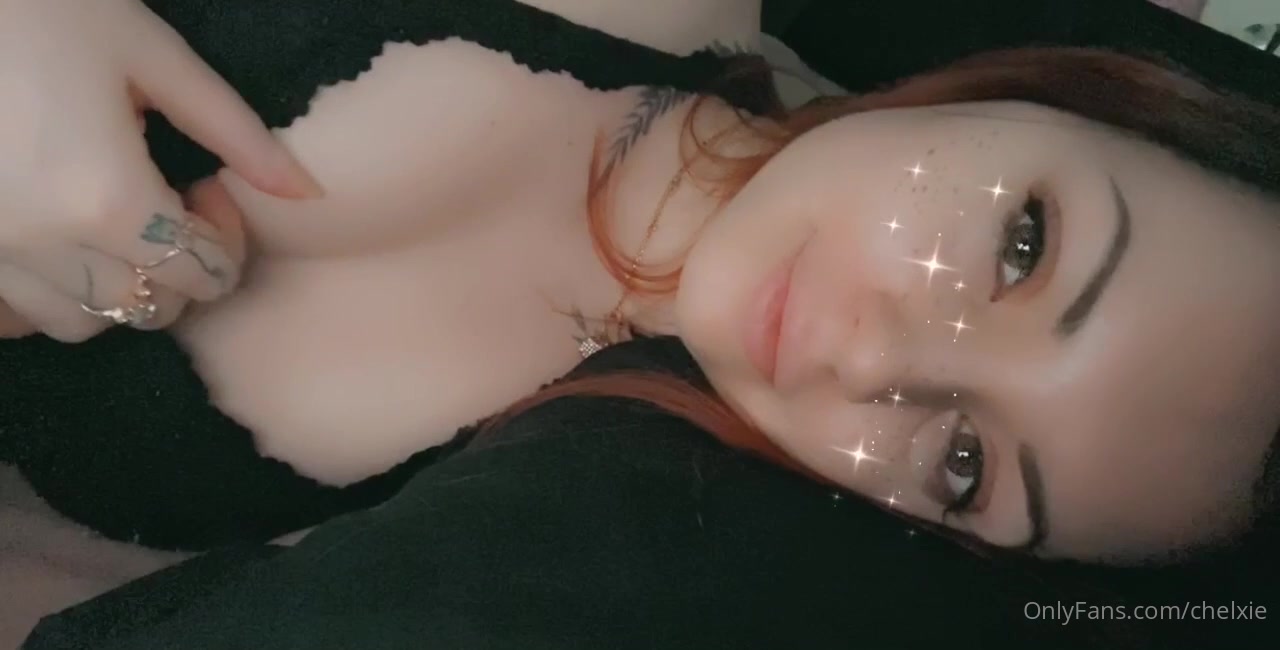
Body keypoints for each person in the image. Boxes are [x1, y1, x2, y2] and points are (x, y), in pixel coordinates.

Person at [3, 0, 1279, 646]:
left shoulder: (495, 510)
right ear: (1044, 92)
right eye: (1024, 246)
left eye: (962, 462)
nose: (875, 355)